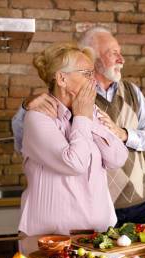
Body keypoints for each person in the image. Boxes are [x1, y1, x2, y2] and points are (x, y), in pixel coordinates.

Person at [12, 27, 145, 226]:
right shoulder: (46, 110)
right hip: (86, 217)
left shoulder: (128, 93)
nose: (121, 59)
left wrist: (124, 134)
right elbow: (24, 139)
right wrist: (26, 107)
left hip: (138, 202)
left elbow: (123, 154)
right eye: (113, 53)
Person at [19, 43, 128, 236]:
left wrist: (86, 118)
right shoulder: (38, 117)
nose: (93, 79)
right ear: (62, 78)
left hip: (99, 235)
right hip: (52, 239)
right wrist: (82, 118)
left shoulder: (90, 112)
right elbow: (75, 163)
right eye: (87, 73)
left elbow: (118, 158)